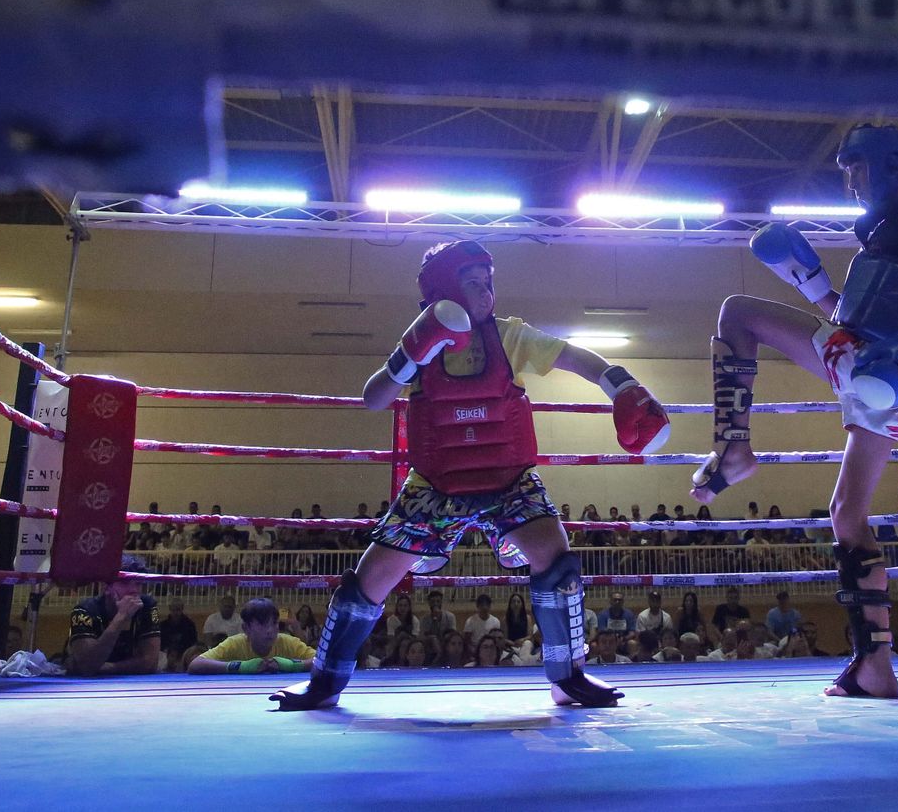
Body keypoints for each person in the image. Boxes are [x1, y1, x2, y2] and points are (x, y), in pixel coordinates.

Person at [271, 240, 668, 710]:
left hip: (508, 481)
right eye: (474, 283)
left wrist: (621, 385)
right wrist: (411, 355)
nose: (487, 294)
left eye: (489, 283)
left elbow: (576, 357)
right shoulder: (418, 342)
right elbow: (374, 398)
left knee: (557, 560)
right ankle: (325, 681)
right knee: (368, 581)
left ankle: (568, 678)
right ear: (443, 289)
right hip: (435, 487)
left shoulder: (510, 335)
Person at [688, 125, 898, 699]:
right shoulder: (876, 233)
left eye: (857, 166)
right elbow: (849, 314)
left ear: (892, 166)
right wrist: (808, 279)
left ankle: (735, 447)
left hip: (887, 370)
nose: (849, 178)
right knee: (846, 516)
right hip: (863, 356)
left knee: (738, 314)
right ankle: (875, 667)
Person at [65, 555, 161, 676]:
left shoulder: (147, 606)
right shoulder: (84, 610)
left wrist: (109, 667)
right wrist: (120, 618)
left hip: (132, 684)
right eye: (124, 583)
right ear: (106, 587)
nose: (134, 590)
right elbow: (87, 667)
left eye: (137, 583)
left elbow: (150, 664)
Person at [188, 597, 314, 675]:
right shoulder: (234, 644)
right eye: (262, 624)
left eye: (274, 623)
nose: (270, 630)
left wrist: (293, 665)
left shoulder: (288, 642)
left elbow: (325, 662)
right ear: (246, 628)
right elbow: (195, 664)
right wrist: (239, 667)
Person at [158, 597, 199, 671]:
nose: (176, 612)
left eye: (178, 609)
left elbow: (193, 643)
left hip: (184, 654)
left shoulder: (189, 625)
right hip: (166, 655)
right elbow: (160, 644)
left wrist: (183, 655)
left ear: (182, 609)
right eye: (173, 610)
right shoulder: (163, 625)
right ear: (170, 609)